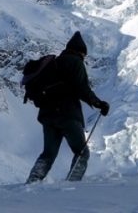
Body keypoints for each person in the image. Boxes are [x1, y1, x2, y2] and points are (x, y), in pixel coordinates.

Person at [26, 31, 109, 183]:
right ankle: (73, 183)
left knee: (48, 154)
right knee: (81, 152)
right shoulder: (76, 62)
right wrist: (99, 104)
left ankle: (33, 181)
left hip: (47, 115)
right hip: (67, 115)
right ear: (82, 52)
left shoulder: (54, 63)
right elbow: (82, 88)